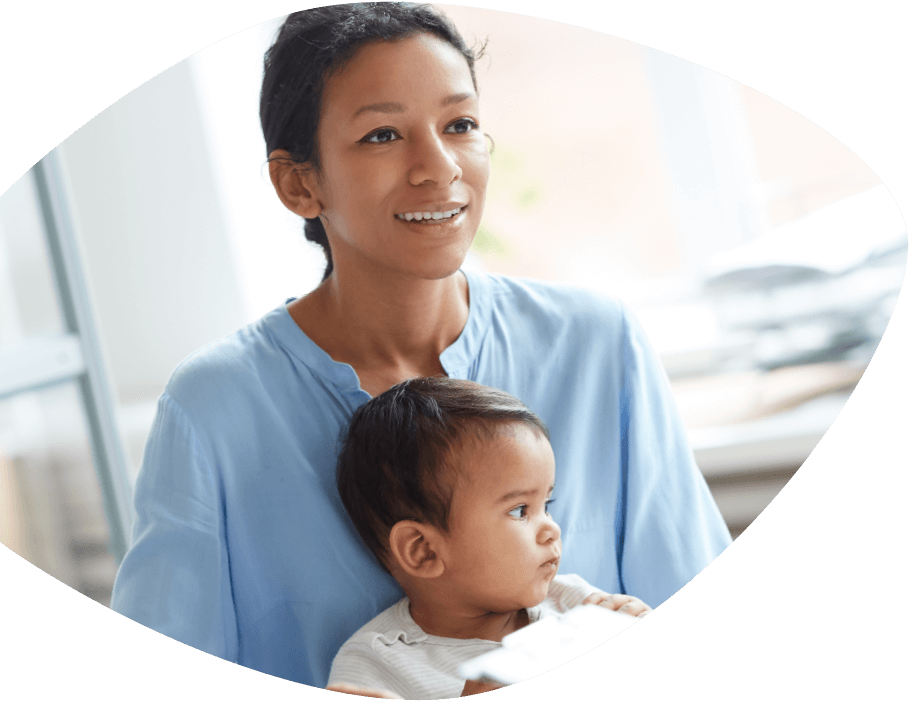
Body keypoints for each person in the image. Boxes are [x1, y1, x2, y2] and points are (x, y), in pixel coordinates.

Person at [109, 3, 732, 694]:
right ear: (298, 183)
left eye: (460, 125)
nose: (439, 168)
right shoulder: (214, 409)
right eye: (382, 135)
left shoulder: (596, 344)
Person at [329, 376, 652, 699]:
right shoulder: (375, 664)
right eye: (520, 510)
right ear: (423, 550)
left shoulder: (576, 604)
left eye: (546, 505)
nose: (551, 529)